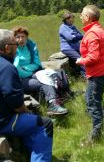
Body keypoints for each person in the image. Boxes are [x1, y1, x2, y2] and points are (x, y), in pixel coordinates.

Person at [0, 29, 53, 161]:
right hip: (4, 120)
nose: (17, 49)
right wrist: (26, 111)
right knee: (45, 124)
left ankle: (28, 154)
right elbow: (15, 102)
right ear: (7, 48)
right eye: (15, 46)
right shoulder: (7, 67)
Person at [76, 5, 104, 143]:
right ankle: (102, 116)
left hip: (98, 72)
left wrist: (81, 61)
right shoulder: (98, 29)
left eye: (82, 14)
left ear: (87, 17)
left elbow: (93, 57)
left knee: (92, 102)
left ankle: (95, 137)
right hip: (103, 70)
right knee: (93, 99)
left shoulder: (92, 33)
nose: (80, 17)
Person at [12, 26, 68, 115]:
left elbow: (37, 64)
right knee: (41, 83)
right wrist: (29, 71)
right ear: (14, 38)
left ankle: (56, 102)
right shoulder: (13, 50)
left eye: (23, 36)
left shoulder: (31, 46)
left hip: (31, 72)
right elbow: (17, 70)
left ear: (27, 37)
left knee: (53, 74)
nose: (21, 39)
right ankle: (47, 107)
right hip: (19, 79)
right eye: (18, 37)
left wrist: (26, 68)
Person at [59, 10, 86, 78]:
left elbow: (81, 36)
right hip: (68, 49)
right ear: (67, 19)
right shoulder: (63, 28)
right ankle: (87, 77)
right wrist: (76, 36)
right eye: (72, 18)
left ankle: (83, 76)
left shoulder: (73, 27)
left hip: (76, 47)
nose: (73, 20)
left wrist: (75, 36)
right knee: (80, 60)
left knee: (86, 58)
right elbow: (70, 38)